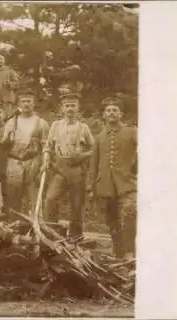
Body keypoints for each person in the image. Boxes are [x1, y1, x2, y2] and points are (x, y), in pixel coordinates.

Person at [87, 97, 137, 259]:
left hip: (127, 184)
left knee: (130, 213)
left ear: (121, 114)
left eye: (115, 110)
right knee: (112, 220)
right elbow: (93, 165)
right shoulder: (99, 137)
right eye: (108, 110)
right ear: (104, 115)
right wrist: (91, 187)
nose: (111, 113)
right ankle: (118, 252)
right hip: (105, 185)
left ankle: (130, 251)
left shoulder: (131, 132)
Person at [41, 91, 95, 238]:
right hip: (60, 169)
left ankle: (75, 236)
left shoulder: (83, 128)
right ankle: (52, 232)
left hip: (77, 170)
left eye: (73, 106)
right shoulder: (55, 126)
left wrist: (83, 155)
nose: (70, 109)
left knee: (76, 205)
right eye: (67, 106)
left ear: (78, 108)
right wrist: (46, 158)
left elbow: (93, 149)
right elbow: (48, 147)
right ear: (62, 109)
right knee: (50, 199)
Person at [2, 88, 49, 217]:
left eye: (29, 101)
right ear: (19, 104)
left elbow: (46, 146)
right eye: (23, 101)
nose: (26, 104)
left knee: (33, 195)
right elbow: (4, 145)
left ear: (34, 103)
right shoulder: (11, 122)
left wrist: (44, 163)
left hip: (33, 162)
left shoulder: (41, 123)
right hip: (14, 162)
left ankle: (36, 224)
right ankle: (14, 224)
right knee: (13, 194)